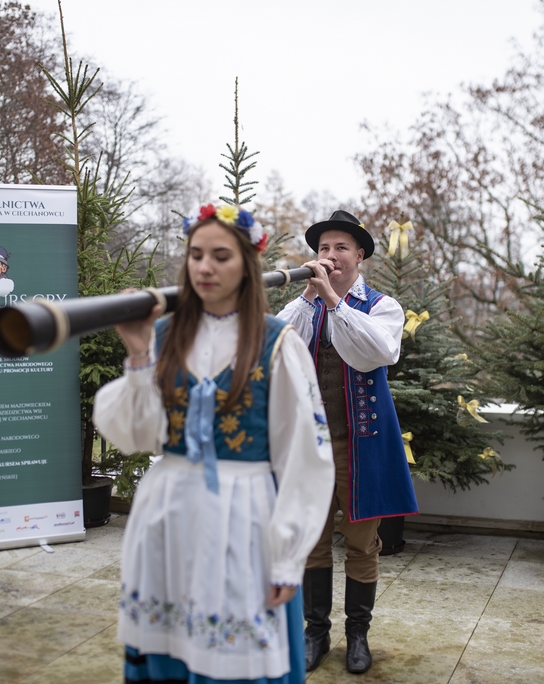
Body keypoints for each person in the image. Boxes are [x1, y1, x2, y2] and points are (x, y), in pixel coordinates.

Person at [93, 203, 334, 684]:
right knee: (167, 651)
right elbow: (136, 434)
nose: (205, 267)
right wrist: (138, 353)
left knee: (235, 658)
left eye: (221, 256)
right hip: (168, 516)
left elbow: (306, 458)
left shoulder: (276, 343)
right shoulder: (164, 334)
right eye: (196, 255)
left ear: (247, 264)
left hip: (243, 519)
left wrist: (288, 557)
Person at [276, 210, 419, 674]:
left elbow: (376, 353)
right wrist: (309, 294)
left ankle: (357, 635)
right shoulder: (306, 304)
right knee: (312, 542)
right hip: (310, 447)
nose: (331, 255)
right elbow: (275, 345)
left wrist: (334, 301)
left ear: (359, 256)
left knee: (361, 544)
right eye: (323, 248)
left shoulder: (382, 307)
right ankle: (315, 633)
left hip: (363, 447)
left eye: (341, 247)